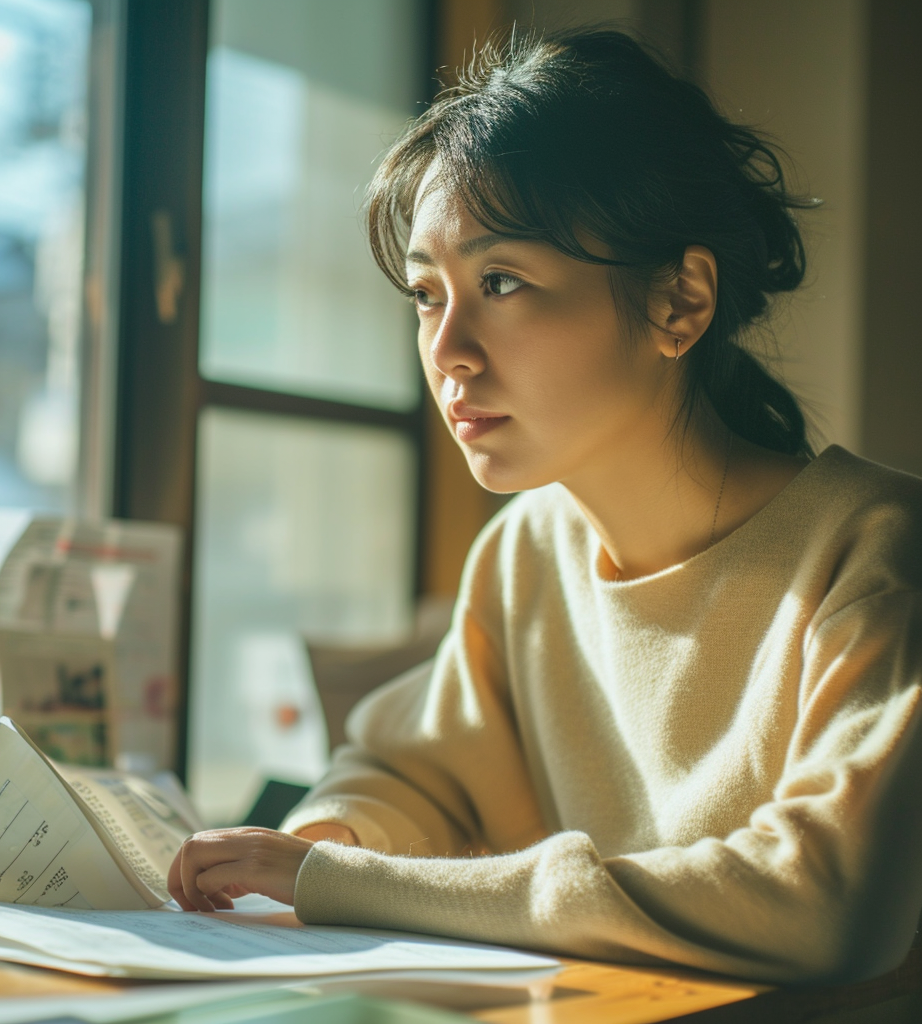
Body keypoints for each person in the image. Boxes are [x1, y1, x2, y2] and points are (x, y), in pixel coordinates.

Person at [168, 28, 922, 984]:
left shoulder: (878, 551)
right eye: (425, 294)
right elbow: (415, 770)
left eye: (501, 282)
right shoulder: (527, 553)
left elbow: (824, 905)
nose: (447, 350)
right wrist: (332, 832)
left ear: (679, 302)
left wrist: (340, 877)